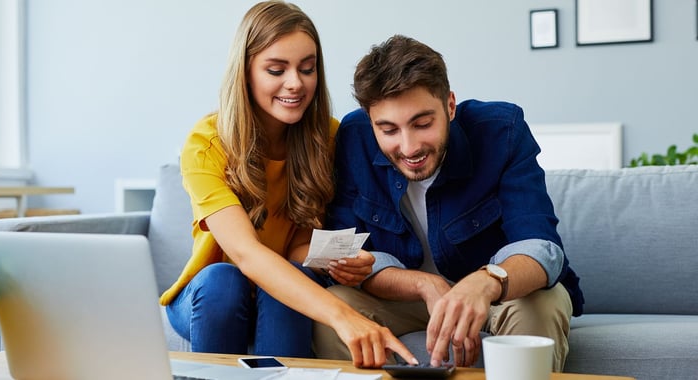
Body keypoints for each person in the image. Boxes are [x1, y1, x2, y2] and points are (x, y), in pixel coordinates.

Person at [160, 1, 416, 367]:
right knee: (223, 280)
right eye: (276, 70)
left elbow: (297, 247)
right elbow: (247, 253)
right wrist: (343, 316)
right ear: (246, 72)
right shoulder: (207, 143)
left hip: (280, 294)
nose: (295, 83)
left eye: (307, 69)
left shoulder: (328, 137)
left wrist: (335, 261)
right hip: (213, 296)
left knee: (289, 278)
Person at [314, 35, 584, 372]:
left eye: (422, 124)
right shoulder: (354, 138)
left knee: (541, 305)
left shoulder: (503, 130)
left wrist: (486, 282)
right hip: (407, 299)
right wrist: (424, 284)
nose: (409, 147)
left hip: (498, 294)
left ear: (450, 106)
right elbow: (349, 258)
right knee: (334, 309)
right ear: (371, 122)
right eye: (388, 130)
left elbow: (542, 246)